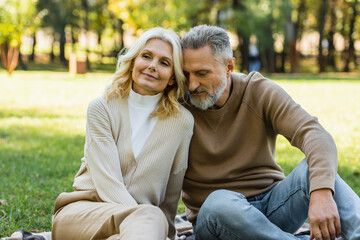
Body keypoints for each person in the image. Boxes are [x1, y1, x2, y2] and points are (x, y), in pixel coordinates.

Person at [180, 25, 360, 240]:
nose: (191, 85)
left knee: (312, 171)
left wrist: (322, 192)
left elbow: (314, 134)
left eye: (202, 73)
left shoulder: (257, 90)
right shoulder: (176, 102)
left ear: (229, 67)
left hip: (272, 208)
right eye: (186, 74)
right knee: (219, 202)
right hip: (215, 220)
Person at [52, 27, 194, 240]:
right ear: (133, 61)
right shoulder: (103, 108)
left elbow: (172, 193)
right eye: (146, 56)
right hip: (84, 214)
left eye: (164, 63)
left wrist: (165, 234)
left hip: (139, 230)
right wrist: (148, 220)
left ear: (173, 78)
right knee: (150, 217)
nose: (152, 66)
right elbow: (108, 183)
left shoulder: (182, 122)